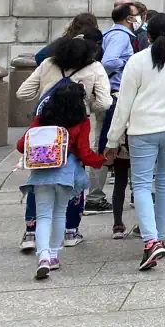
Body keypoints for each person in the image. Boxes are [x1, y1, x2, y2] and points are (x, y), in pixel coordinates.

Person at [105, 13, 165, 270]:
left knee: (142, 185)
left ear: (148, 35)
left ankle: (151, 240)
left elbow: (124, 104)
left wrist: (112, 140)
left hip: (142, 129)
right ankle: (160, 236)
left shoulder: (136, 61)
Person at [16, 33, 112, 251]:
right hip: (77, 124)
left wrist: (46, 93)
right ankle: (70, 230)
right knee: (74, 180)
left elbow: (23, 93)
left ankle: (31, 231)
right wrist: (88, 104)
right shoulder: (95, 67)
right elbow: (105, 103)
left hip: (44, 126)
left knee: (38, 177)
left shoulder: (49, 63)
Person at [17, 82, 105, 279]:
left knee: (43, 216)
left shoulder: (42, 119)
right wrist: (102, 160)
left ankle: (43, 257)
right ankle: (55, 254)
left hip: (41, 174)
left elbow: (22, 145)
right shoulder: (82, 121)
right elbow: (84, 152)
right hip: (66, 174)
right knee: (59, 214)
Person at [84, 1, 138, 214]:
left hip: (112, 95)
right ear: (128, 18)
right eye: (134, 14)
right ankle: (95, 197)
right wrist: (129, 64)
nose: (137, 18)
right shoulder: (120, 36)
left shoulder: (115, 34)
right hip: (115, 96)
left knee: (108, 142)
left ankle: (96, 195)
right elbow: (109, 61)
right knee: (106, 144)